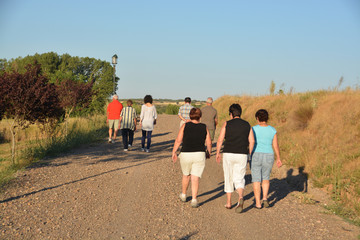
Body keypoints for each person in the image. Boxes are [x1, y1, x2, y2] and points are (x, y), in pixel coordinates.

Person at [216, 104, 254, 213]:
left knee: (228, 176)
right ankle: (241, 197)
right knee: (240, 177)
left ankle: (228, 203)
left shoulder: (227, 124)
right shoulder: (247, 125)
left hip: (228, 153)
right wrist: (249, 153)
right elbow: (252, 141)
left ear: (231, 114)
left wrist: (218, 152)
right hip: (242, 154)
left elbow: (220, 139)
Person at [172, 108, 212, 208]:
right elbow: (209, 142)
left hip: (186, 153)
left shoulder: (185, 125)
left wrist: (174, 152)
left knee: (186, 175)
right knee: (195, 177)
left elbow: (178, 140)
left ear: (190, 115)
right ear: (200, 116)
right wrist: (209, 152)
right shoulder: (204, 127)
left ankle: (184, 195)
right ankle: (194, 199)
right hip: (199, 154)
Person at [250, 109, 282, 209]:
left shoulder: (253, 129)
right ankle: (265, 198)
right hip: (269, 155)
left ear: (257, 118)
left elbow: (250, 142)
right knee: (266, 178)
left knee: (256, 179)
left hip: (256, 154)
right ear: (267, 118)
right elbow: (275, 145)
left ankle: (258, 203)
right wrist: (278, 158)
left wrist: (248, 154)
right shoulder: (273, 130)